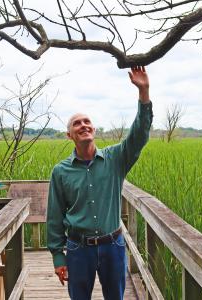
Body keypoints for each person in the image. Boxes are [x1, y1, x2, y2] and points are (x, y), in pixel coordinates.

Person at [47, 66, 153, 300]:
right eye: (77, 124)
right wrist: (58, 255)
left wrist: (143, 91)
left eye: (87, 122)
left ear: (93, 129)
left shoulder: (116, 159)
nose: (83, 125)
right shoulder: (60, 172)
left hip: (112, 245)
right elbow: (55, 216)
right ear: (69, 135)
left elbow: (140, 134)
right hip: (77, 249)